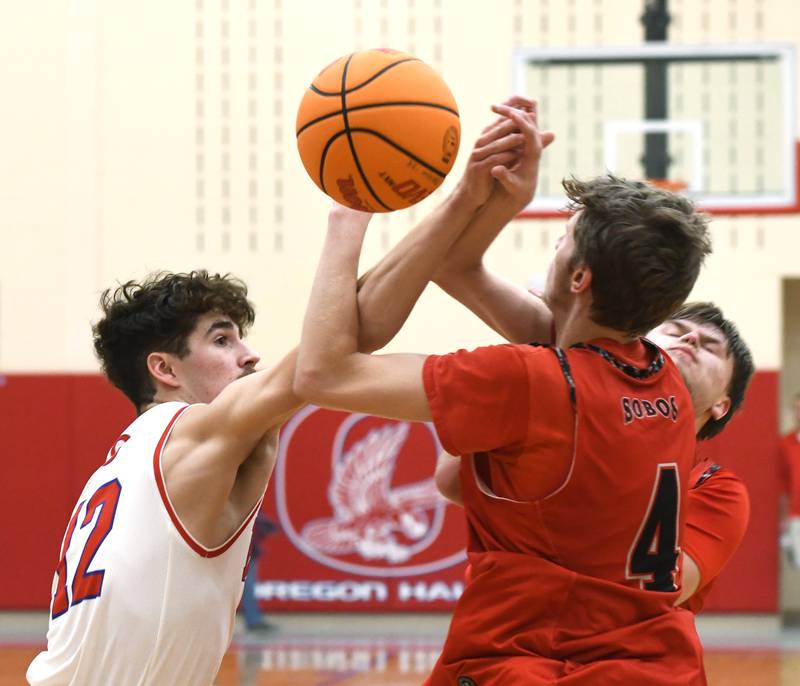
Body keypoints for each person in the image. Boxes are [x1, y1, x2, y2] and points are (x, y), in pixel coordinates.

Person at [294, 97, 714, 685]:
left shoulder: (533, 380)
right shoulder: (657, 375)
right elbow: (458, 267)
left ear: (578, 278)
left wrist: (349, 221)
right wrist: (490, 197)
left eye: (563, 238)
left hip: (542, 665)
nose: (556, 244)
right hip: (657, 665)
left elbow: (322, 374)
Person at [26, 264, 443, 685]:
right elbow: (334, 348)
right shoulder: (185, 431)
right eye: (222, 340)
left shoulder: (128, 458)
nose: (250, 355)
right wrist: (353, 217)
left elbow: (330, 350)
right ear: (165, 370)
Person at [433, 300, 754, 614]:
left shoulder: (717, 490)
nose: (690, 339)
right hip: (501, 642)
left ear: (722, 405)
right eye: (675, 330)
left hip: (620, 656)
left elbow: (660, 590)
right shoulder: (559, 409)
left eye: (711, 347)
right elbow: (451, 480)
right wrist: (545, 366)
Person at [779, 392, 800, 567]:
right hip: (795, 515)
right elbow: (783, 483)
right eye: (797, 409)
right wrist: (783, 517)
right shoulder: (785, 443)